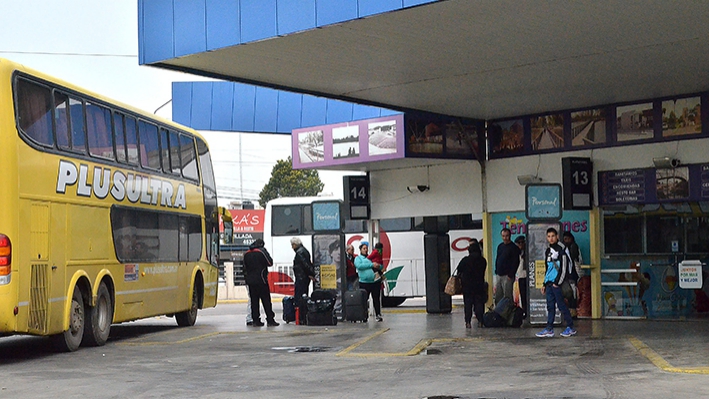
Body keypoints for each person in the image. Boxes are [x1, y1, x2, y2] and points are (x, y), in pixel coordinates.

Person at [536, 228, 576, 338]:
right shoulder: (548, 251)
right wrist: (544, 283)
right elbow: (547, 267)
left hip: (557, 283)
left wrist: (557, 282)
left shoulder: (562, 249)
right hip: (549, 282)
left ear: (557, 236)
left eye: (553, 236)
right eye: (548, 236)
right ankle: (549, 328)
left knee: (562, 305)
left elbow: (564, 268)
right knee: (550, 306)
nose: (551, 238)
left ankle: (571, 327)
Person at [243, 239, 278, 327]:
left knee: (254, 302)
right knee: (266, 301)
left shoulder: (246, 253)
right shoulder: (261, 252)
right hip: (261, 280)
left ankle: (256, 321)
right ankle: (270, 320)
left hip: (250, 282)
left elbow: (244, 267)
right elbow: (270, 262)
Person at [456, 239, 487, 328]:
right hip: (479, 286)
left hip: (467, 286)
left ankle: (468, 322)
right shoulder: (483, 261)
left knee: (468, 304)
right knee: (479, 304)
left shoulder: (465, 260)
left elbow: (459, 270)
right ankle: (480, 321)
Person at [354, 241, 383, 322]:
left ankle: (378, 314)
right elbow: (359, 266)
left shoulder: (372, 257)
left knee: (376, 299)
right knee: (364, 300)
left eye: (366, 248)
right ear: (360, 250)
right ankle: (363, 315)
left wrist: (379, 266)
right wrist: (371, 265)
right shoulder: (358, 258)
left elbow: (380, 265)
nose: (365, 250)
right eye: (364, 248)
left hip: (375, 282)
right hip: (364, 283)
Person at [291, 237, 316, 323]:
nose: (292, 247)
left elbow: (305, 265)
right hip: (304, 277)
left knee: (299, 297)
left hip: (301, 278)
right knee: (303, 295)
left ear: (295, 245)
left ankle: (301, 317)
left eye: (292, 245)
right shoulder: (303, 250)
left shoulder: (300, 252)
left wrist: (311, 274)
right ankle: (302, 317)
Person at [494, 228, 521, 305]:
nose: (505, 238)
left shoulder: (513, 247)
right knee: (498, 295)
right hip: (499, 274)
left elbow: (516, 262)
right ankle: (498, 314)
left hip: (507, 276)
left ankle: (508, 313)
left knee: (507, 296)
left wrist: (511, 274)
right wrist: (496, 271)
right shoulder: (500, 246)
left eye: (506, 236)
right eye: (503, 236)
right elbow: (498, 258)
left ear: (510, 236)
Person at [562, 231, 581, 318]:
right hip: (566, 274)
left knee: (572, 294)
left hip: (572, 274)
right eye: (565, 239)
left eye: (567, 239)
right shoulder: (563, 249)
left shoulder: (573, 247)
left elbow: (574, 260)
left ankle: (573, 312)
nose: (566, 241)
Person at [514, 235, 528, 317]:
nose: (520, 245)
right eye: (518, 243)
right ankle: (525, 311)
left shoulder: (527, 252)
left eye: (522, 242)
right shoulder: (516, 252)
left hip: (528, 275)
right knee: (522, 295)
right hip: (520, 276)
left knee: (527, 294)